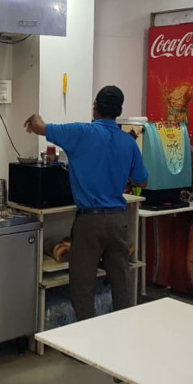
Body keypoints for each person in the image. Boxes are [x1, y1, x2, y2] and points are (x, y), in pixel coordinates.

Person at [24, 85, 148, 321]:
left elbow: (40, 126)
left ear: (95, 107)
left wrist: (34, 117)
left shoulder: (81, 132)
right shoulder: (128, 142)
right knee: (121, 284)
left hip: (89, 222)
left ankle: (87, 337)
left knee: (82, 288)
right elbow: (143, 179)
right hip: (118, 222)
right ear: (119, 111)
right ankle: (125, 332)